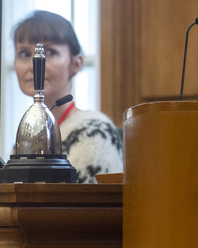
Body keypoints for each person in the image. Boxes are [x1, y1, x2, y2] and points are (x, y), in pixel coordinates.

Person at [12, 10, 123, 183]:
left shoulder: (94, 132)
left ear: (76, 63)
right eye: (25, 54)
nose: (35, 63)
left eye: (50, 53)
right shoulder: (29, 136)